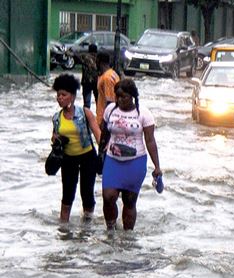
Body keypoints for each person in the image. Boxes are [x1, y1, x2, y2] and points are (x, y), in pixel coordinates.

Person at [101, 79, 161, 231]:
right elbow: (104, 133)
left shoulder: (144, 114)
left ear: (132, 96)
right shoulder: (110, 110)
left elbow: (150, 141)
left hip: (135, 162)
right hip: (112, 160)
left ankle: (127, 238)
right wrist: (100, 152)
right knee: (108, 197)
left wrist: (157, 167)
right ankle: (111, 230)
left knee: (129, 200)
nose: (120, 100)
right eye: (118, 96)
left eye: (124, 97)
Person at [50, 74, 101, 224]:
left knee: (87, 194)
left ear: (72, 96)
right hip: (68, 159)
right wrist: (56, 141)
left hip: (87, 158)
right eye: (58, 95)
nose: (60, 98)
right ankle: (63, 229)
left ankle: (87, 227)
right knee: (67, 195)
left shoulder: (85, 113)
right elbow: (54, 137)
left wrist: (105, 154)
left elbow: (98, 135)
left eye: (63, 95)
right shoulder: (56, 117)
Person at [96, 52, 120, 126]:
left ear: (99, 61)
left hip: (105, 118)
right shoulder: (113, 73)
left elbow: (110, 101)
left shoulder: (107, 78)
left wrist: (104, 120)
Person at [79, 43, 99, 109]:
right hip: (96, 81)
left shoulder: (84, 57)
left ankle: (87, 117)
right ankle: (98, 116)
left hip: (86, 82)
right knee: (98, 100)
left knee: (87, 103)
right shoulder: (98, 58)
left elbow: (75, 55)